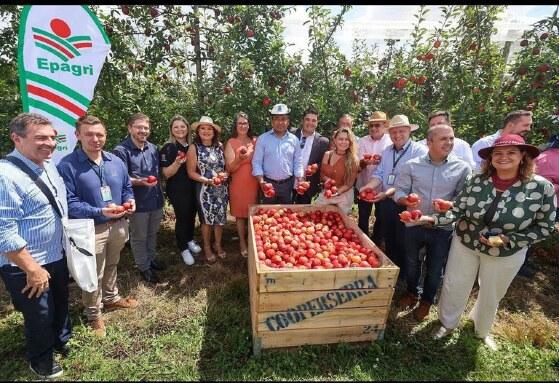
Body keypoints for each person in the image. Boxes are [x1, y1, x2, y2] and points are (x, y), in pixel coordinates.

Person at [413, 134, 557, 350]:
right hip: (466, 242)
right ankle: (447, 323)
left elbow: (545, 226)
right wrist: (431, 218)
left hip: (507, 251)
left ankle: (481, 329)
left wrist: (511, 239)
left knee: (492, 291)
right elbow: (458, 210)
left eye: (511, 153)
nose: (503, 157)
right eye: (498, 153)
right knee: (454, 283)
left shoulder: (540, 188)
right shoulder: (478, 181)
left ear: (523, 156)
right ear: (491, 158)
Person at [0, 113, 71, 379]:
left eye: (52, 138)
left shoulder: (47, 164)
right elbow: (2, 229)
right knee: (39, 314)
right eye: (40, 138)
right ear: (16, 138)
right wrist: (32, 268)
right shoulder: (5, 175)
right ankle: (41, 360)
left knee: (60, 302)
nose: (50, 143)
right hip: (27, 263)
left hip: (55, 253)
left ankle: (60, 341)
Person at [57, 115, 139, 337]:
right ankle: (93, 314)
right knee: (92, 272)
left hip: (119, 223)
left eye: (100, 134)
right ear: (78, 135)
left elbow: (126, 188)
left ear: (106, 135)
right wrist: (100, 212)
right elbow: (70, 203)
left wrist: (129, 201)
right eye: (89, 134)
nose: (95, 139)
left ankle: (111, 298)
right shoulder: (68, 165)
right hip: (91, 229)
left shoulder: (115, 161)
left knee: (112, 263)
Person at [394, 124, 471, 321]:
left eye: (451, 138)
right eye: (443, 139)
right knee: (411, 263)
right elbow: (399, 192)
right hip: (414, 224)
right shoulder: (411, 165)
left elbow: (464, 200)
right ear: (429, 142)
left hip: (442, 228)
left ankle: (427, 300)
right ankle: (412, 292)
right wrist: (406, 200)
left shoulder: (462, 168)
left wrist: (450, 205)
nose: (449, 142)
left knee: (436, 267)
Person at [359, 115, 428, 274]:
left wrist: (388, 193)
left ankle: (405, 273)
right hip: (387, 202)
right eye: (394, 132)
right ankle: (392, 269)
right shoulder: (387, 151)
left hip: (407, 204)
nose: (397, 135)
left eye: (401, 131)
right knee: (388, 236)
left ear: (409, 131)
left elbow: (418, 181)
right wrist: (367, 187)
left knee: (405, 240)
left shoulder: (419, 152)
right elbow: (380, 173)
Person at [113, 113, 165, 284]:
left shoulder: (153, 148)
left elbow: (157, 172)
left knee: (152, 233)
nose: (143, 131)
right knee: (139, 235)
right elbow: (120, 178)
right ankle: (143, 267)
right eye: (139, 127)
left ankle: (150, 260)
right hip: (138, 202)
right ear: (130, 128)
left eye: (146, 128)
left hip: (155, 200)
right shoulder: (121, 151)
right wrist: (140, 181)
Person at [159, 115, 202, 266]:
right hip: (178, 189)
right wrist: (177, 163)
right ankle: (183, 247)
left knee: (191, 215)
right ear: (171, 130)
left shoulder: (192, 146)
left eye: (182, 126)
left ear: (188, 128)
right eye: (176, 127)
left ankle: (189, 240)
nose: (179, 129)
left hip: (193, 187)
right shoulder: (169, 147)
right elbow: (165, 174)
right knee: (182, 217)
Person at [186, 116, 229, 264]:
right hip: (205, 189)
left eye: (209, 128)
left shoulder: (220, 146)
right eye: (202, 128)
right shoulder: (194, 148)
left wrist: (225, 175)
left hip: (221, 189)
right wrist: (208, 181)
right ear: (198, 131)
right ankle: (206, 247)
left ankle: (217, 244)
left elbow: (226, 168)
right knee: (207, 220)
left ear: (214, 131)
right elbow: (191, 172)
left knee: (220, 218)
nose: (206, 131)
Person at [518, 133, 559, 277]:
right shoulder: (546, 158)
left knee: (532, 231)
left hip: (539, 203)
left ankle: (524, 260)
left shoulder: (543, 156)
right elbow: (537, 184)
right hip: (542, 203)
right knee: (531, 231)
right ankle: (520, 264)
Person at [252, 103, 304, 204]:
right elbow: (257, 162)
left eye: (283, 119)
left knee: (285, 216)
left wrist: (300, 179)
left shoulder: (294, 140)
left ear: (288, 121)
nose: (280, 122)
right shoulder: (263, 139)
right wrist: (262, 182)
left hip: (287, 185)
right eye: (276, 119)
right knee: (267, 216)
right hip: (268, 184)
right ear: (272, 121)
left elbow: (298, 162)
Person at [224, 112, 258, 258]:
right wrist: (239, 159)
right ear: (236, 126)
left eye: (245, 123)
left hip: (254, 181)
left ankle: (253, 241)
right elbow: (230, 168)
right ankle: (242, 242)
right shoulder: (231, 142)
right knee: (239, 214)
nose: (243, 126)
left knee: (253, 212)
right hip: (238, 181)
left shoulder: (255, 141)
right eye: (240, 123)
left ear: (249, 125)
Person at [355, 111, 392, 235]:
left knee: (381, 217)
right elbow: (357, 166)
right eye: (371, 126)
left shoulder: (390, 142)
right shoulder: (361, 141)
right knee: (363, 215)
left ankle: (377, 241)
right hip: (364, 184)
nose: (373, 128)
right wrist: (365, 162)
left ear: (385, 126)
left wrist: (381, 161)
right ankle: (362, 238)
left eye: (377, 125)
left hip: (382, 187)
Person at [314, 127, 359, 214]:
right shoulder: (328, 155)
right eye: (340, 139)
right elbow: (322, 174)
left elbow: (349, 183)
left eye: (347, 139)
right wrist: (328, 181)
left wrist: (338, 192)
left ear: (350, 142)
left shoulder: (353, 159)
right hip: (328, 193)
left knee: (340, 222)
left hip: (344, 196)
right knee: (318, 215)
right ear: (335, 140)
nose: (344, 142)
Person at [292, 107, 330, 204]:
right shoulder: (291, 134)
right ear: (302, 120)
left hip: (308, 185)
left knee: (302, 215)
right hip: (289, 183)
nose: (310, 123)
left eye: (314, 120)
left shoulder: (323, 142)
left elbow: (325, 162)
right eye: (307, 119)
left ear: (317, 123)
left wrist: (317, 166)